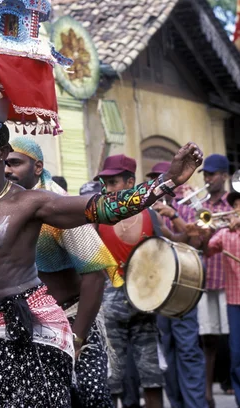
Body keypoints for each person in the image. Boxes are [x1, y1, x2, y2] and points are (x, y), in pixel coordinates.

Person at [0, 100, 202, 407]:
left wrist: (166, 182)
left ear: (1, 153)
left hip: (32, 329)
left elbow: (105, 209)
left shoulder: (31, 203)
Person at [5, 136, 114, 407]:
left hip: (73, 319)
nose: (7, 170)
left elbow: (95, 276)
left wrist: (77, 338)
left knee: (91, 395)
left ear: (37, 167)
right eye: (4, 164)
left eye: (15, 163)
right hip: (28, 322)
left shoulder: (60, 207)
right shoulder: (3, 206)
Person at [98, 155, 193, 408]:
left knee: (152, 376)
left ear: (130, 182)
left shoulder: (152, 216)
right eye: (105, 183)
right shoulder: (98, 217)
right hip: (109, 309)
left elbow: (169, 251)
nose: (108, 189)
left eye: (114, 182)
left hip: (145, 306)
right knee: (111, 379)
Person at [148, 162, 208, 408]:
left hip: (183, 288)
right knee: (168, 351)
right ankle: (177, 404)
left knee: (187, 350)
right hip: (159, 289)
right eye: (154, 181)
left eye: (161, 181)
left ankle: (195, 405)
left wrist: (173, 217)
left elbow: (196, 241)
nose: (158, 186)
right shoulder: (148, 210)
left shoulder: (184, 209)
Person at [188, 191, 240, 408]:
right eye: (236, 206)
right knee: (237, 354)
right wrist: (205, 232)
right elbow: (206, 250)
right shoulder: (226, 234)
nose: (236, 210)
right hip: (234, 301)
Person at [197, 154, 232, 408]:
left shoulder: (234, 204)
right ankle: (207, 395)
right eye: (206, 174)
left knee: (232, 338)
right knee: (208, 339)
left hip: (230, 279)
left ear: (224, 176)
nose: (208, 179)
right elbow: (199, 242)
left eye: (212, 174)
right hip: (208, 278)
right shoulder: (202, 206)